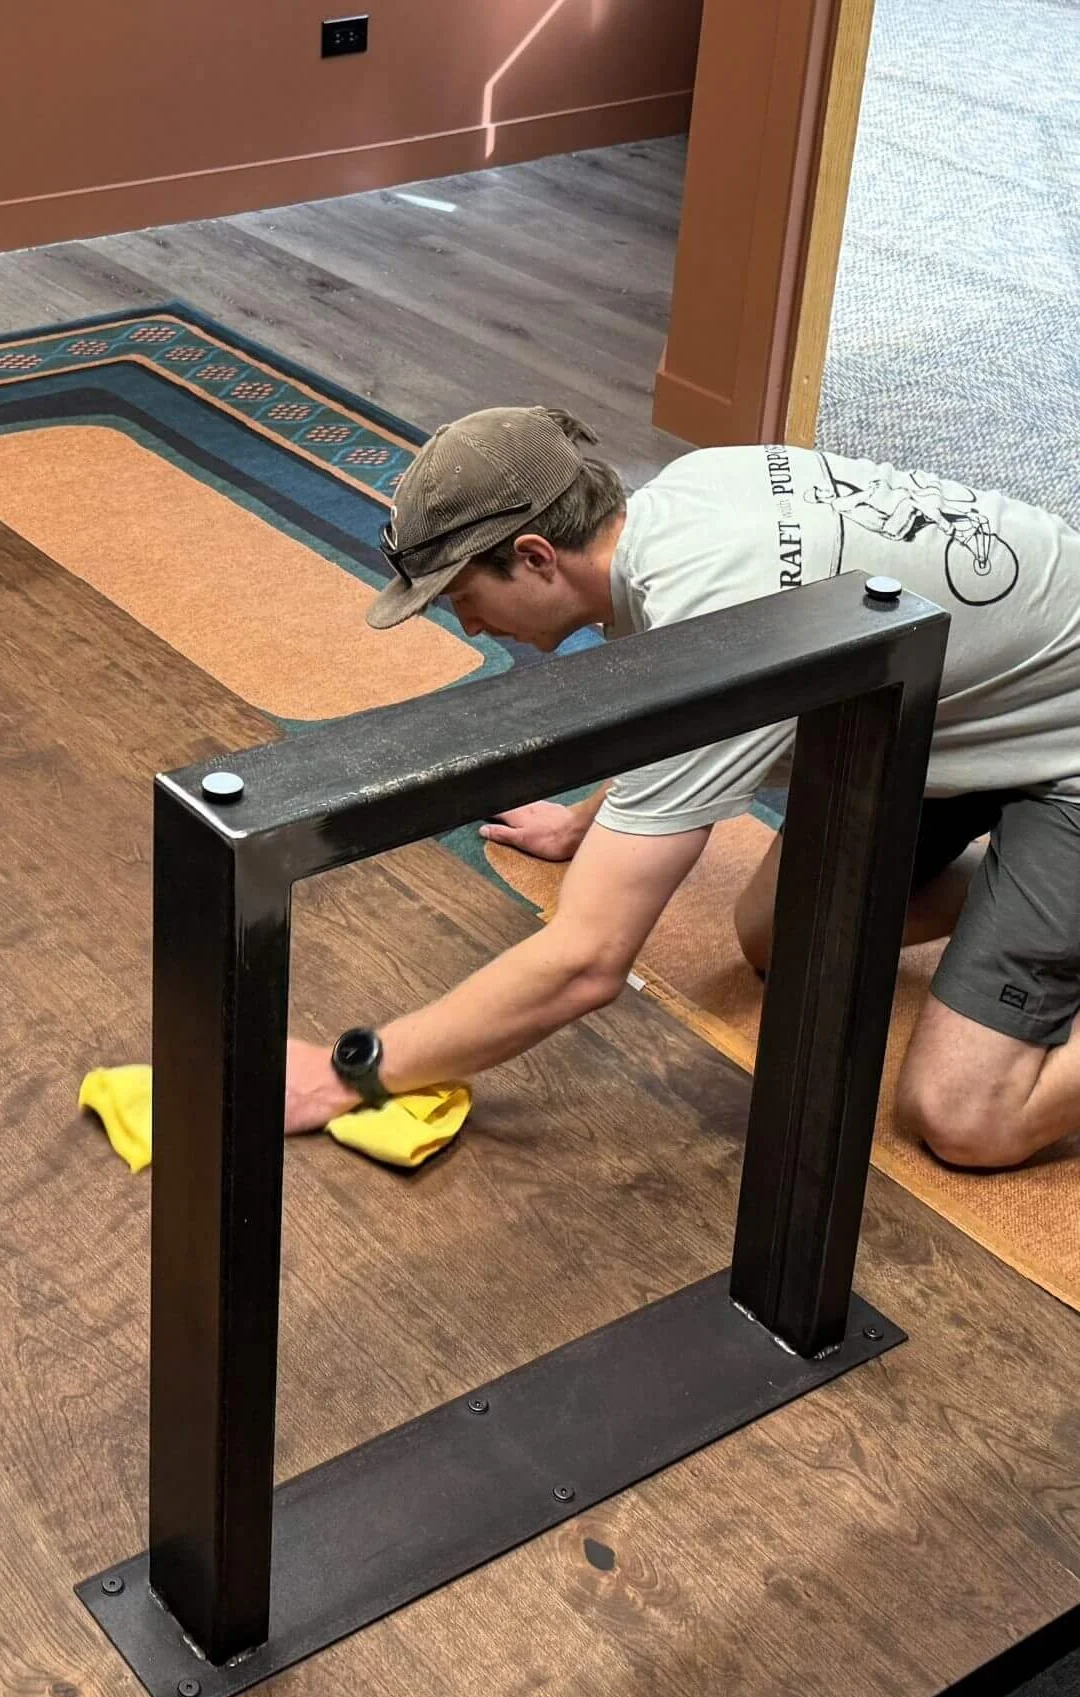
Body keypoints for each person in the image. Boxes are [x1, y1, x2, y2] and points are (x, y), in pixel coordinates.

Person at [289, 406, 1080, 1171]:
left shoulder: (721, 614)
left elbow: (586, 961)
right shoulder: (678, 505)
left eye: (463, 596)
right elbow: (678, 718)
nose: (468, 628)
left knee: (962, 1114)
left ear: (534, 556)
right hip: (973, 713)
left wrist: (349, 1075)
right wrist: (583, 824)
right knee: (781, 936)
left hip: (1062, 753)